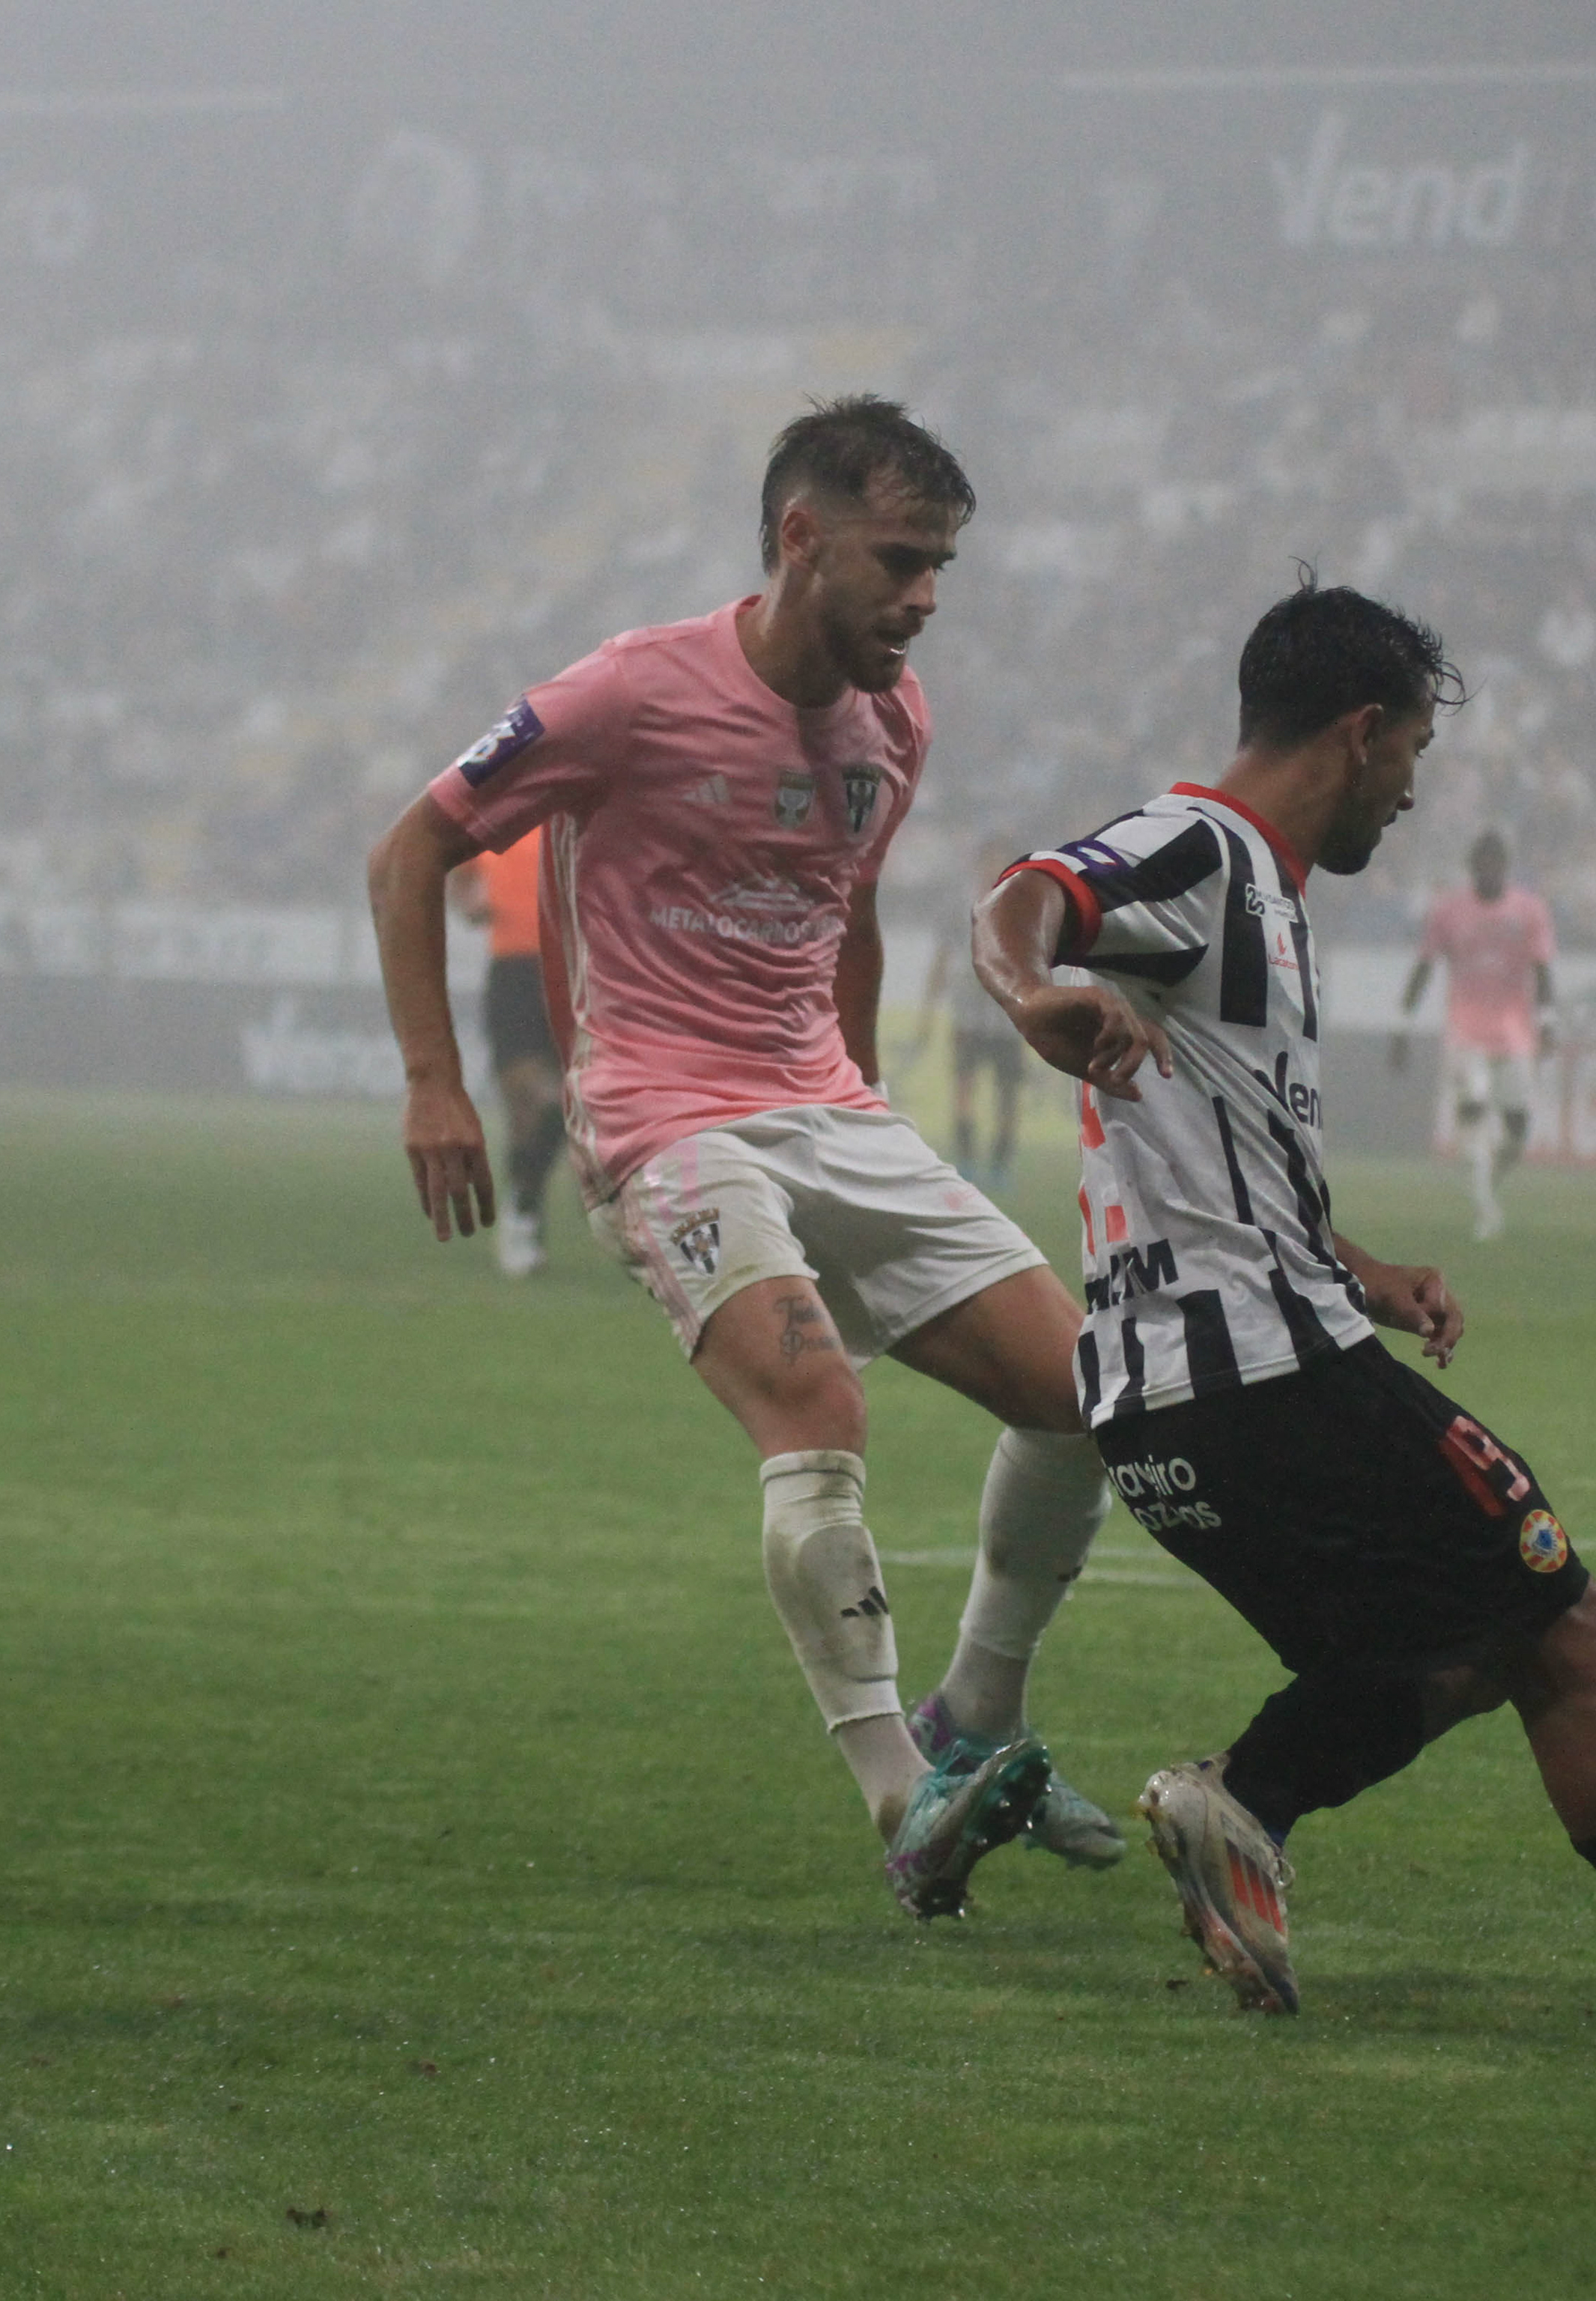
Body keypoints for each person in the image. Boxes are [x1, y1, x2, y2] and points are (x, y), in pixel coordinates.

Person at [973, 577, 1596, 2042]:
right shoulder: (1206, 848)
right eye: (1416, 753)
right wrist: (1025, 992)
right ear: (1360, 732)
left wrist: (1362, 1269)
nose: (1414, 792)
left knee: (1463, 1645)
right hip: (1262, 1380)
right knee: (1570, 1623)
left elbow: (1215, 1162)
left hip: (1164, 1407)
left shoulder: (1261, 904)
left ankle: (1250, 1802)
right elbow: (1021, 900)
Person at [365, 395, 1124, 1923]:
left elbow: (848, 909)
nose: (926, 598)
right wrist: (437, 1084)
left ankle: (973, 1715)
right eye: (901, 560)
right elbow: (413, 849)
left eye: (942, 568)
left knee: (1092, 1391)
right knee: (817, 1407)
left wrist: (865, 1096)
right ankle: (905, 1803)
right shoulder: (628, 692)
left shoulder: (894, 723)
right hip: (666, 1115)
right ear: (800, 538)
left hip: (827, 1108)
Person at [1391, 828, 1554, 1239]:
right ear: (1472, 867)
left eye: (1496, 864)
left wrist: (1548, 1022)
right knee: (1474, 1108)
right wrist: (1402, 1025)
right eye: (1483, 864)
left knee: (1517, 1128)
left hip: (1514, 1033)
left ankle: (1486, 1184)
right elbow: (1425, 966)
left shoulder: (1529, 910)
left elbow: (1542, 969)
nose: (1489, 870)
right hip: (1465, 1031)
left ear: (1506, 867)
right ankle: (1486, 1210)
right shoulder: (1449, 911)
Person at [447, 825, 565, 1277]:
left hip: (579, 967)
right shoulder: (500, 812)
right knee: (529, 1101)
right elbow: (458, 870)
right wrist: (468, 905)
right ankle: (522, 1215)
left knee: (572, 1101)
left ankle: (525, 1206)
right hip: (515, 973)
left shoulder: (586, 808)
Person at [924, 843, 1033, 1190]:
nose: (992, 869)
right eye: (988, 862)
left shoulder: (1021, 904)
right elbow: (943, 956)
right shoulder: (960, 906)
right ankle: (967, 1160)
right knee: (964, 1088)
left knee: (1008, 1095)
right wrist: (929, 1009)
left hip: (1008, 1017)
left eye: (999, 863)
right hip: (968, 1017)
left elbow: (1036, 957)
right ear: (978, 865)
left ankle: (1000, 1164)